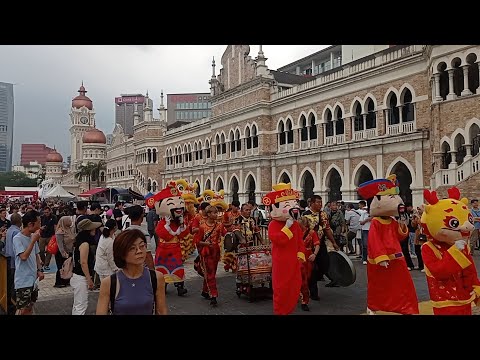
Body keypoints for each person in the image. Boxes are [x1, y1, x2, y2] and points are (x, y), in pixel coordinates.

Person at [357, 175, 419, 315]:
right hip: (381, 261)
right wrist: (381, 257)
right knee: (379, 286)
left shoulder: (392, 221)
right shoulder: (376, 222)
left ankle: (404, 306)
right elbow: (374, 242)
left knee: (401, 284)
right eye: (392, 198)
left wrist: (403, 224)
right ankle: (373, 306)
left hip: (397, 258)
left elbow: (400, 236)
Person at [421, 187, 479, 314]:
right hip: (444, 300)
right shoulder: (428, 248)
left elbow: (470, 271)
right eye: (454, 223)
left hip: (464, 296)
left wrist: (475, 288)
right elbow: (440, 272)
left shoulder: (462, 245)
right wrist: (455, 252)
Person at [96, 229, 167, 315]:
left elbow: (161, 311)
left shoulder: (156, 278)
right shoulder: (109, 283)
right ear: (122, 253)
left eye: (142, 246)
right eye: (132, 248)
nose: (139, 251)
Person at [263, 183, 306, 315]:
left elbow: (300, 243)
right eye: (287, 206)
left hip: (294, 263)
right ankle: (280, 312)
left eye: (293, 205)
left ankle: (289, 310)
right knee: (281, 290)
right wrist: (287, 227)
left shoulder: (296, 225)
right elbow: (278, 240)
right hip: (281, 262)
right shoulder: (273, 224)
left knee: (294, 288)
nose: (293, 208)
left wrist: (300, 257)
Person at [12, 210, 44, 315]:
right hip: (23, 280)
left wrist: (40, 270)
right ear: (30, 224)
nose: (40, 225)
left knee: (30, 306)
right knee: (22, 309)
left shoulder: (32, 236)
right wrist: (33, 241)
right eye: (38, 222)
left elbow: (36, 254)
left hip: (33, 280)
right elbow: (24, 256)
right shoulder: (17, 238)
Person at [195, 205, 227, 306]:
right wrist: (206, 244)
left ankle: (205, 291)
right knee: (211, 274)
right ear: (208, 214)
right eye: (214, 213)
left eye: (216, 213)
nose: (216, 215)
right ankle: (213, 295)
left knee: (212, 272)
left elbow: (225, 234)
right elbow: (197, 241)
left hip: (215, 252)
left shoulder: (219, 225)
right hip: (206, 252)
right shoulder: (202, 227)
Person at [71, 218, 102, 315]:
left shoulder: (78, 241)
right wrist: (89, 279)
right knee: (81, 305)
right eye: (93, 228)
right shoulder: (85, 244)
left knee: (78, 304)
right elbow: (83, 262)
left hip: (77, 276)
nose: (95, 230)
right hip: (81, 277)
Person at [298, 216, 320, 312]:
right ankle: (300, 298)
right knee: (299, 279)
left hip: (307, 258)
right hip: (297, 258)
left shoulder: (312, 233)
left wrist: (314, 254)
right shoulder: (296, 233)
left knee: (305, 280)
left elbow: (317, 244)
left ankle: (304, 300)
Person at [124, 205, 154, 270]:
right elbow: (147, 255)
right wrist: (152, 271)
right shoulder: (144, 234)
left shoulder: (125, 232)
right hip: (141, 269)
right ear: (142, 216)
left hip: (128, 267)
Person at [5, 213, 22, 314]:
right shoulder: (16, 232)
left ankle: (11, 302)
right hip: (14, 261)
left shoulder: (10, 230)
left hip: (9, 260)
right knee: (13, 283)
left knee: (11, 282)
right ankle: (13, 303)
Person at [54, 216, 76, 288]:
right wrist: (63, 253)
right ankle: (59, 282)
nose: (70, 222)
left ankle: (66, 280)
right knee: (61, 267)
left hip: (69, 251)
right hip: (61, 253)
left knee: (68, 266)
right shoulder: (60, 232)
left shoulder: (69, 229)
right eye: (69, 221)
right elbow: (60, 244)